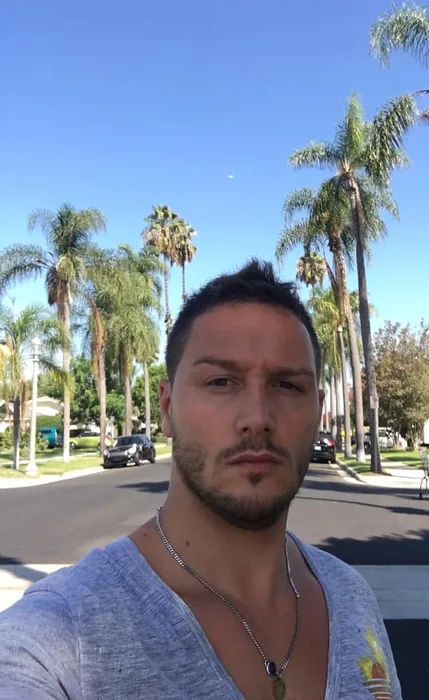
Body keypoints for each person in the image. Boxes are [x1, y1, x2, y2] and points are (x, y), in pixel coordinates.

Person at [0, 260, 402, 700]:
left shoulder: (351, 597)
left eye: (287, 385)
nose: (258, 417)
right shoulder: (60, 635)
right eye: (221, 381)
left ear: (318, 410)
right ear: (167, 407)